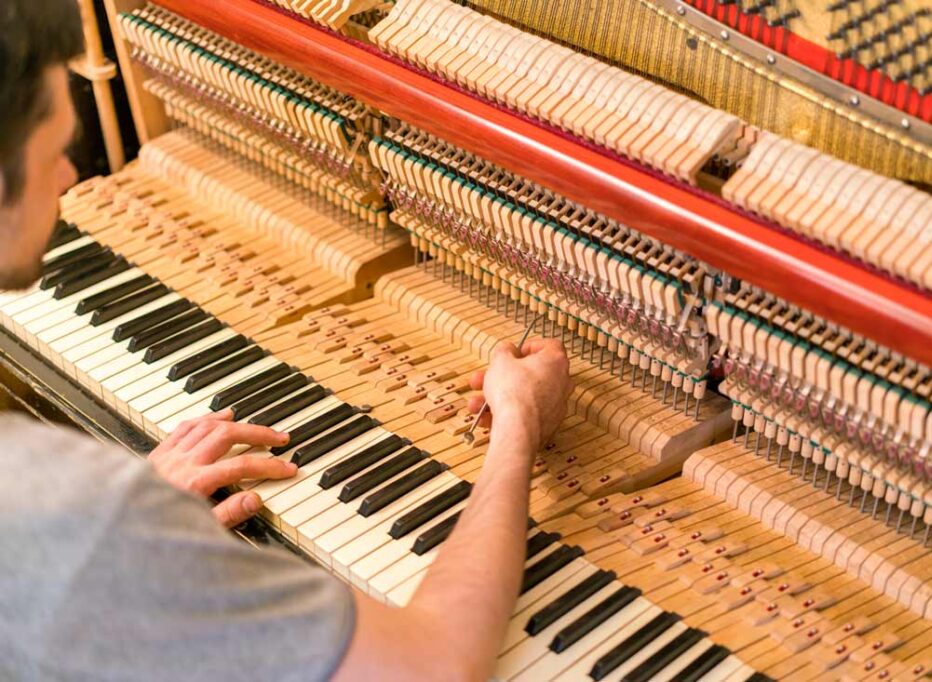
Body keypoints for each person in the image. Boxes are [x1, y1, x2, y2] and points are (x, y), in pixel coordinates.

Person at [0, 2, 573, 680]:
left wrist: (127, 540)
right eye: (55, 151)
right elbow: (434, 668)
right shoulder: (52, 507)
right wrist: (518, 428)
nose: (70, 174)